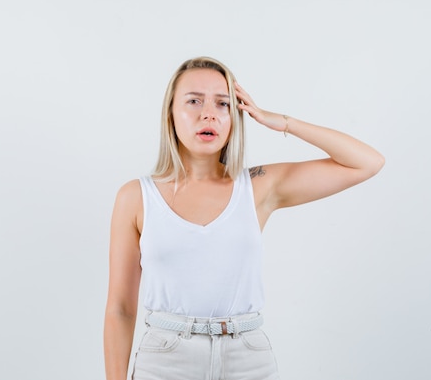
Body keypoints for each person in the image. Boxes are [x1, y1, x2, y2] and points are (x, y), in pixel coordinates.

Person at [104, 56, 384, 380]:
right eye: (194, 100)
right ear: (170, 112)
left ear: (236, 116)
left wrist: (281, 122)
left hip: (247, 360)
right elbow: (121, 309)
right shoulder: (136, 197)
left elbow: (367, 162)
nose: (208, 112)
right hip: (166, 360)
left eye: (223, 103)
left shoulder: (257, 187)